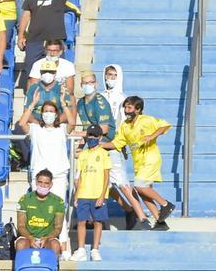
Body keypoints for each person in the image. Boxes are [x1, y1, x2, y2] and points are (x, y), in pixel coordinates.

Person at [104, 95, 175, 228]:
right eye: (125, 107)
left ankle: (166, 204)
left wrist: (151, 136)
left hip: (150, 159)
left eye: (129, 107)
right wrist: (98, 144)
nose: (126, 110)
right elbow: (116, 143)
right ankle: (160, 222)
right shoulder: (125, 126)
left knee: (139, 187)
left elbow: (165, 125)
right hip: (138, 163)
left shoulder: (146, 120)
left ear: (138, 110)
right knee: (143, 193)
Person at [17, 0, 74, 81]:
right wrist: (21, 35)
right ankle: (31, 95)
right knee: (31, 72)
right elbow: (26, 14)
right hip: (34, 39)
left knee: (57, 73)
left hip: (55, 40)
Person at [71, 128, 109, 261]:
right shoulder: (83, 155)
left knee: (98, 221)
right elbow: (79, 176)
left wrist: (102, 195)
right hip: (83, 193)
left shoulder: (104, 154)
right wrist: (76, 195)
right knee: (81, 220)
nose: (91, 138)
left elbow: (106, 177)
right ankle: (81, 249)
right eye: (89, 135)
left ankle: (95, 249)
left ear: (100, 138)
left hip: (97, 193)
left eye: (94, 136)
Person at [22, 101, 71, 199]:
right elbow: (22, 123)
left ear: (56, 114)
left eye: (51, 111)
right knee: (39, 206)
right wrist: (32, 104)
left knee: (58, 206)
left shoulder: (62, 128)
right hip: (39, 175)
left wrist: (64, 105)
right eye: (46, 111)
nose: (48, 113)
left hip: (59, 174)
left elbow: (72, 122)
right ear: (42, 113)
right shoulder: (35, 129)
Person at [16, 170, 66, 255]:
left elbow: (58, 228)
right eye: (40, 182)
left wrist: (46, 238)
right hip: (28, 237)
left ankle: (54, 268)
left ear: (51, 184)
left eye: (46, 183)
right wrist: (30, 238)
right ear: (35, 182)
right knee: (20, 244)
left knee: (55, 245)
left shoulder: (58, 202)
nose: (43, 185)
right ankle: (20, 268)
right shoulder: (25, 199)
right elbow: (21, 226)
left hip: (48, 238)